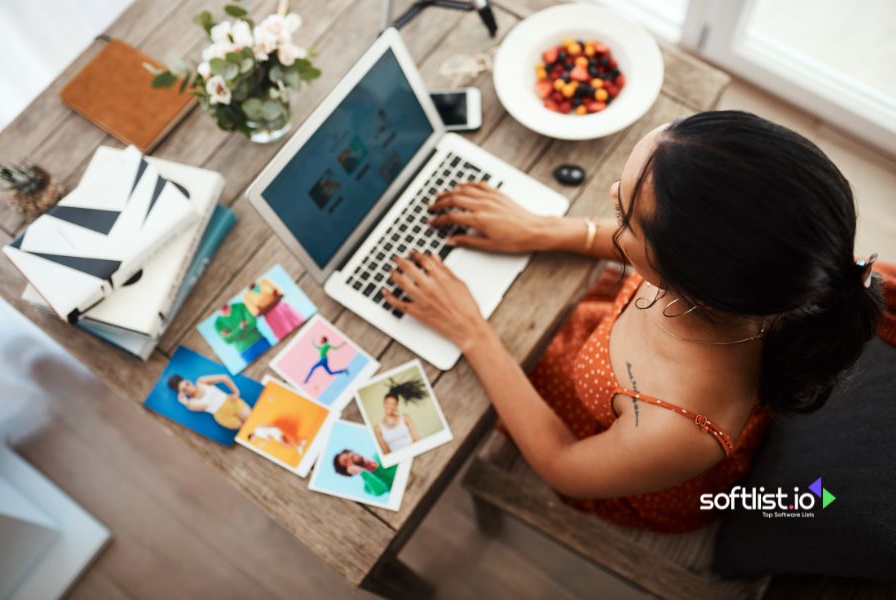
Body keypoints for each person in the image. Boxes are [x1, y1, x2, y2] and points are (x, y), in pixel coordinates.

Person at [381, 110, 888, 533]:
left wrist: (471, 330)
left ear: (686, 275)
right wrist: (545, 229)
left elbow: (562, 466)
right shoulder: (758, 283)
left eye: (625, 218)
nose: (611, 195)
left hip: (619, 457)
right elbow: (664, 239)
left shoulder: (680, 429)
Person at [168, 373, 251, 430]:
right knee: (246, 430)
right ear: (182, 393)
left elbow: (224, 377)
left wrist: (236, 392)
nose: (188, 388)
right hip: (222, 416)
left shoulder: (201, 381)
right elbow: (205, 406)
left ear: (188, 380)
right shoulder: (191, 403)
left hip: (232, 402)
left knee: (252, 418)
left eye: (187, 384)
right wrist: (184, 401)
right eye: (184, 390)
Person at [371, 379, 424, 454]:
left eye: (393, 404)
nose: (390, 407)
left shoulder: (405, 418)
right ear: (384, 403)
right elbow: (386, 452)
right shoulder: (378, 429)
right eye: (388, 403)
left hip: (415, 451)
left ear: (397, 405)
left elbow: (417, 438)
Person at [333, 449, 397, 497]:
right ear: (349, 470)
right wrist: (361, 472)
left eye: (347, 453)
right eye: (346, 461)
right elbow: (381, 490)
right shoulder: (368, 487)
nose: (350, 455)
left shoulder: (379, 453)